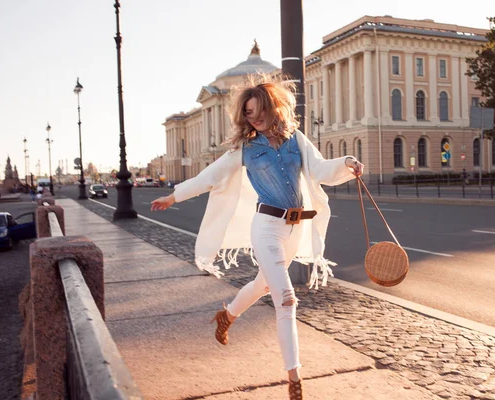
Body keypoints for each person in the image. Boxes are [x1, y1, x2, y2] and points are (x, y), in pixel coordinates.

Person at [150, 75, 363, 400]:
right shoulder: (246, 148)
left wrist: (347, 164)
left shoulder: (296, 140)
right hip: (266, 227)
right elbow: (210, 176)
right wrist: (173, 196)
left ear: (272, 106)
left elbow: (319, 170)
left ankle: (227, 315)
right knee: (287, 299)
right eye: (248, 113)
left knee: (264, 284)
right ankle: (295, 381)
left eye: (258, 109)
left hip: (295, 228)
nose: (254, 117)